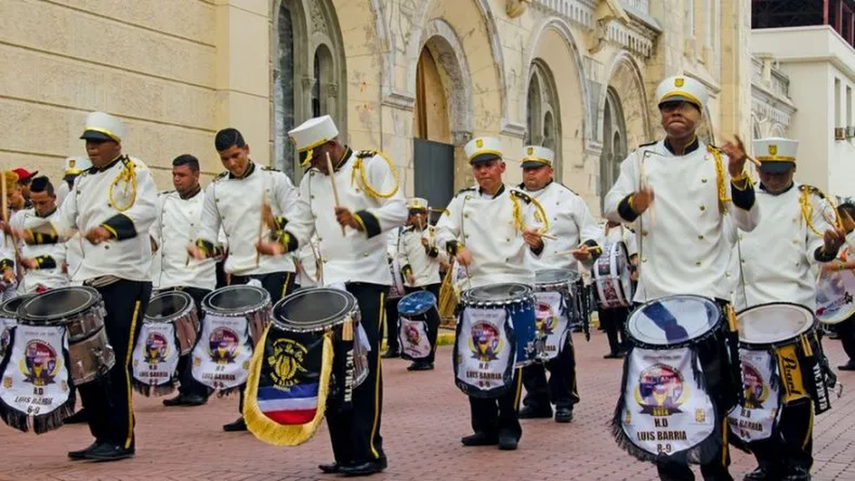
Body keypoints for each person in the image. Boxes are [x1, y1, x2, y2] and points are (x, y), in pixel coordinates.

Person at [604, 75, 760, 481]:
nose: (675, 112)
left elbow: (748, 220)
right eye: (668, 106)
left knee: (709, 396)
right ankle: (671, 472)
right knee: (660, 397)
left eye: (685, 106)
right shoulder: (639, 161)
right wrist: (632, 204)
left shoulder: (718, 161)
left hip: (707, 296)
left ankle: (716, 471)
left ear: (698, 114)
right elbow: (610, 209)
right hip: (655, 298)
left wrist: (740, 174)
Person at [256, 114, 406, 476]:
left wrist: (360, 220)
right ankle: (345, 453)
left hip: (365, 280)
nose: (311, 164)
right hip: (327, 284)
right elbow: (303, 224)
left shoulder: (370, 166)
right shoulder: (311, 179)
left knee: (362, 368)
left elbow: (398, 209)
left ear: (333, 145)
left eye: (315, 154)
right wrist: (282, 244)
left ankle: (369, 451)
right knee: (332, 370)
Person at [16, 111, 157, 461]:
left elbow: (145, 211)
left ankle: (122, 439)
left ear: (116, 143)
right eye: (88, 143)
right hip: (87, 283)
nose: (92, 149)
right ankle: (101, 435)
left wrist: (108, 229)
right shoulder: (80, 182)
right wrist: (27, 233)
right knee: (89, 364)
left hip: (125, 279)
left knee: (115, 361)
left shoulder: (134, 171)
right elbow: (63, 223)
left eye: (98, 143)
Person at [733, 138, 844, 481]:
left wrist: (828, 249)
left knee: (796, 395)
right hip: (750, 311)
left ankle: (797, 463)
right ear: (757, 169)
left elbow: (818, 250)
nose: (774, 178)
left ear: (793, 169)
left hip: (793, 311)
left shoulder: (809, 201)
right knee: (754, 396)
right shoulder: (741, 200)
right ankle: (768, 460)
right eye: (767, 172)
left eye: (780, 172)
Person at [434, 136, 546, 451]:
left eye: (488, 166)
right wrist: (456, 247)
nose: (483, 172)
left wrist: (534, 241)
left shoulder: (521, 201)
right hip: (476, 285)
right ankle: (484, 426)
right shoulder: (463, 201)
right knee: (476, 357)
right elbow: (441, 231)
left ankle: (509, 424)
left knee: (509, 359)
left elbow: (539, 239)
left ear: (502, 167)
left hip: (512, 281)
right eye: (478, 167)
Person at [187, 127, 298, 432]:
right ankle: (248, 410)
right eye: (225, 159)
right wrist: (204, 247)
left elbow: (298, 216)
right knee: (242, 341)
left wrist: (280, 232)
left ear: (247, 148)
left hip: (275, 267)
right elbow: (209, 229)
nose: (232, 163)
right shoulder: (216, 189)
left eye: (236, 156)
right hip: (239, 269)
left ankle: (277, 406)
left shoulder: (274, 179)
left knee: (273, 339)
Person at [515, 145, 600, 423]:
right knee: (526, 344)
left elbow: (591, 233)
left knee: (558, 344)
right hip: (523, 279)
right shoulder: (510, 200)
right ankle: (536, 398)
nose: (530, 174)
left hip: (557, 281)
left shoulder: (569, 199)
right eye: (526, 169)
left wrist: (587, 248)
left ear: (550, 170)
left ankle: (564, 399)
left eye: (536, 169)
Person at [150, 155, 217, 407]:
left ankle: (199, 388)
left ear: (196, 175)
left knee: (195, 336)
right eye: (174, 175)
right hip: (168, 278)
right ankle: (186, 386)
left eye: (182, 175)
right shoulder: (163, 201)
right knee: (176, 337)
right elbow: (153, 232)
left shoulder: (209, 202)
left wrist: (207, 250)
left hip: (198, 278)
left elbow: (219, 237)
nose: (177, 180)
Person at [396, 197, 444, 371]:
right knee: (413, 322)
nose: (416, 217)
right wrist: (407, 271)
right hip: (413, 283)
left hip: (430, 282)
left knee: (431, 322)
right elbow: (401, 256)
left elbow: (444, 258)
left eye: (419, 213)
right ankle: (417, 356)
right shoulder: (406, 234)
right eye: (413, 213)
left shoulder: (434, 233)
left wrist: (430, 248)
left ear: (425, 215)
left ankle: (428, 358)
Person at [9, 176, 68, 294]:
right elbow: (9, 247)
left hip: (57, 284)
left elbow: (63, 255)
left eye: (42, 202)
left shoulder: (65, 219)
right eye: (34, 202)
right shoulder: (21, 217)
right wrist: (9, 268)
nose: (38, 207)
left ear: (54, 198)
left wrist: (36, 262)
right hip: (28, 285)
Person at [598, 220, 638, 359]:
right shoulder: (599, 232)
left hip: (621, 280)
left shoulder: (626, 234)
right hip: (602, 280)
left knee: (622, 315)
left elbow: (633, 256)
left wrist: (634, 270)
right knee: (607, 316)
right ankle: (614, 347)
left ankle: (626, 345)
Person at [831, 203, 855, 371]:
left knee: (850, 326)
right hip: (845, 289)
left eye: (839, 219)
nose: (837, 224)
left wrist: (838, 267)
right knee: (845, 326)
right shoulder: (846, 238)